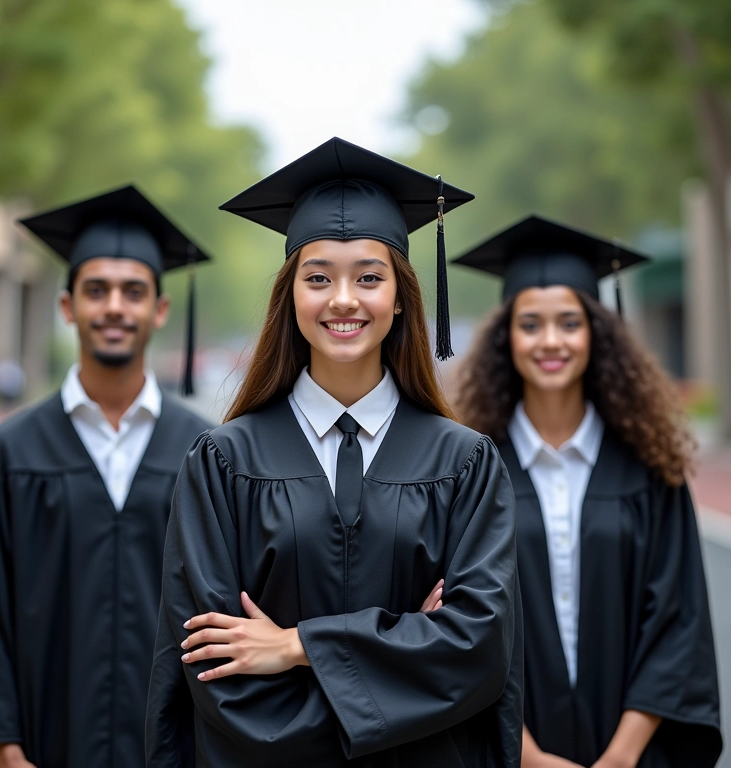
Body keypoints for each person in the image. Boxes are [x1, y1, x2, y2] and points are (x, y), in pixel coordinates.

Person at [146, 137, 523, 767]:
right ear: (290, 297)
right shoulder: (222, 462)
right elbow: (211, 663)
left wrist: (295, 647)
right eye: (317, 277)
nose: (343, 299)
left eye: (369, 278)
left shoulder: (464, 465)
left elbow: (479, 650)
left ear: (400, 296)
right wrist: (411, 646)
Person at [451, 214, 722, 768]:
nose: (551, 341)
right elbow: (457, 621)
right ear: (506, 336)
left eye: (569, 323)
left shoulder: (648, 469)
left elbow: (677, 620)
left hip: (633, 751)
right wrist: (527, 756)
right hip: (509, 750)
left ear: (597, 332)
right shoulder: (474, 470)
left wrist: (620, 758)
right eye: (531, 324)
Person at [0, 185, 213, 768]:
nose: (114, 308)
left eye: (133, 291)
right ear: (68, 306)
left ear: (159, 309)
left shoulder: (205, 452)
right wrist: (3, 747)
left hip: (172, 749)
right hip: (40, 746)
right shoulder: (10, 450)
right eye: (96, 290)